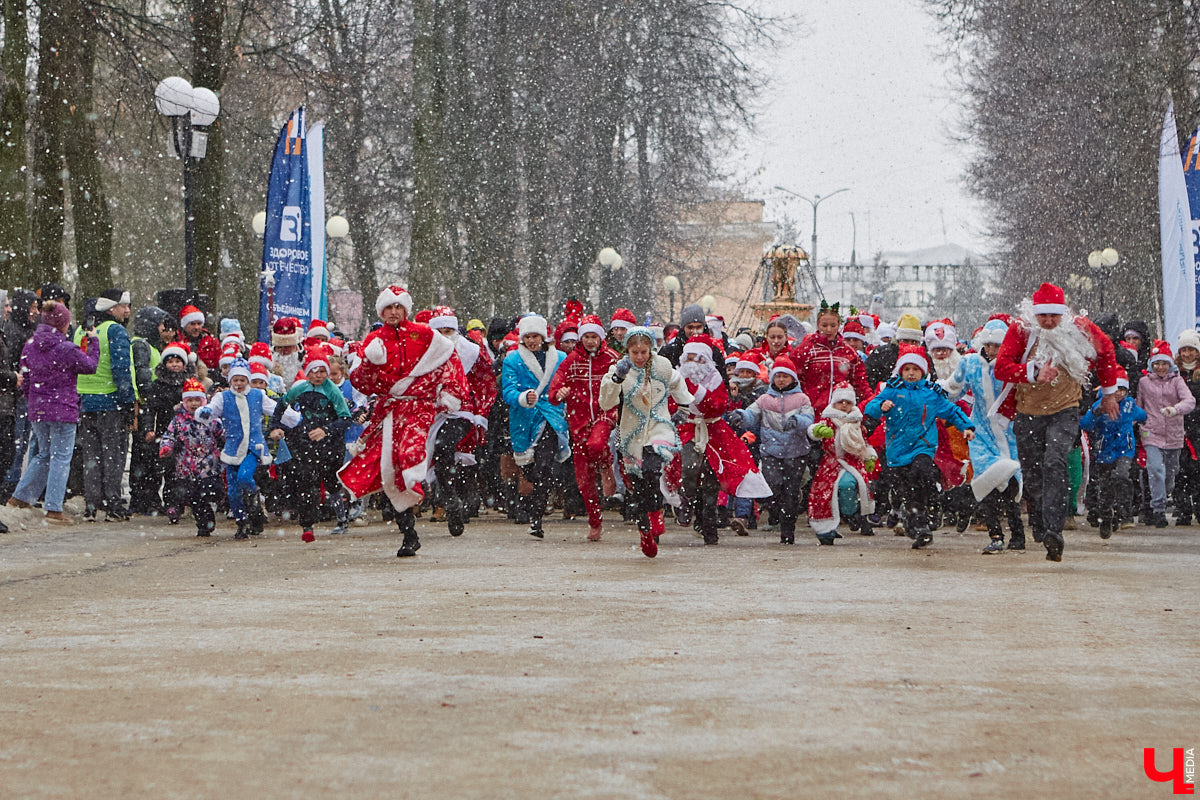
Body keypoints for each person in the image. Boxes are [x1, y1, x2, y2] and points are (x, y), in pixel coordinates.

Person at [339, 286, 469, 558]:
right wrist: (369, 364)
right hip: (390, 409)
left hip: (420, 406)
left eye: (399, 307)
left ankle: (448, 500)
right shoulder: (374, 339)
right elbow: (361, 382)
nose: (394, 312)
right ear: (381, 311)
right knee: (391, 468)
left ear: (406, 309)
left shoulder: (423, 334)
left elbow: (449, 358)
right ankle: (409, 532)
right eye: (389, 307)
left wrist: (451, 392)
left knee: (409, 455)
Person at [993, 282, 1120, 561]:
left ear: (1063, 314)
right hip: (1028, 411)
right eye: (1043, 316)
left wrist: (1109, 393)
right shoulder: (1020, 330)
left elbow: (1107, 350)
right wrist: (1033, 372)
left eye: (1054, 315)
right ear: (1033, 314)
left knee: (1055, 462)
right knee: (1033, 473)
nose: (1049, 321)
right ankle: (1038, 517)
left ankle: (1054, 530)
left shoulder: (1079, 328)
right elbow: (1002, 367)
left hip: (1065, 409)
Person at [864, 346, 975, 549]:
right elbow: (870, 408)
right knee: (905, 489)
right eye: (907, 369)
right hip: (897, 450)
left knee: (921, 473)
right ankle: (915, 525)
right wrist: (880, 407)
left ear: (923, 372)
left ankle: (926, 518)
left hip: (922, 446)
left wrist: (966, 426)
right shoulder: (892, 390)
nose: (911, 373)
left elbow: (951, 410)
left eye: (916, 369)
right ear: (900, 372)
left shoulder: (930, 394)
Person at [599, 326, 693, 557]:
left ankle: (655, 512)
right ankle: (645, 531)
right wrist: (617, 378)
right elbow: (605, 402)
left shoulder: (662, 366)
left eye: (644, 352)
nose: (640, 357)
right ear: (628, 351)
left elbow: (679, 384)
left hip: (657, 427)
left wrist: (683, 408)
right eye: (635, 353)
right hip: (630, 431)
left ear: (651, 349)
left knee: (651, 470)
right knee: (638, 486)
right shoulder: (619, 369)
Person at [6, 302, 99, 524]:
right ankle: (54, 508)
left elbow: (25, 377)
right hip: (63, 409)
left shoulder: (30, 345)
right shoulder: (65, 348)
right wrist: (93, 341)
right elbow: (90, 365)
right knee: (60, 457)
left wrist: (31, 399)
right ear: (64, 323)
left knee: (44, 454)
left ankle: (20, 496)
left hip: (37, 408)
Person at [676, 334, 772, 545]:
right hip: (687, 429)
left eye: (698, 358)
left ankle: (709, 528)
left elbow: (718, 405)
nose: (694, 364)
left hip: (713, 431)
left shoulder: (715, 379)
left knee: (712, 479)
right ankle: (686, 499)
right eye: (690, 358)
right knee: (689, 466)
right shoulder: (677, 377)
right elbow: (670, 402)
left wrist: (698, 392)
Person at [941, 319, 1025, 553]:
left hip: (1009, 434)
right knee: (984, 484)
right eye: (988, 345)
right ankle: (995, 535)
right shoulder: (970, 363)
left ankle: (1018, 534)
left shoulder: (1014, 365)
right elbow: (953, 388)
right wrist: (931, 393)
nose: (991, 350)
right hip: (980, 434)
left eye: (997, 345)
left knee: (1010, 484)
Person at [198, 358, 299, 540]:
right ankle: (242, 522)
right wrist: (204, 412)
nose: (238, 383)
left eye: (242, 380)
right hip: (232, 449)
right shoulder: (224, 397)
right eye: (235, 380)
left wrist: (296, 419)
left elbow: (276, 409)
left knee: (245, 477)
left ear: (248, 380)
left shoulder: (257, 396)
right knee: (233, 491)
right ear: (230, 380)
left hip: (254, 447)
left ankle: (254, 501)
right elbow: (211, 409)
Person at [549, 313, 620, 541]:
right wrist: (559, 394)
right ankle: (595, 521)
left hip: (604, 414)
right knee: (583, 480)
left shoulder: (611, 358)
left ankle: (607, 464)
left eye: (594, 336)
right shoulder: (571, 360)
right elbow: (554, 391)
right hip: (578, 423)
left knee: (597, 444)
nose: (590, 341)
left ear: (600, 337)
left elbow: (628, 382)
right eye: (586, 336)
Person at [270, 346, 353, 541]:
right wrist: (275, 426)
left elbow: (345, 419)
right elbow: (281, 405)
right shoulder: (299, 388)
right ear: (307, 373)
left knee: (331, 482)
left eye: (323, 371)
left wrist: (326, 430)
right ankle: (307, 526)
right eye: (314, 371)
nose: (319, 375)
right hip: (306, 443)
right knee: (306, 482)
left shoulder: (332, 391)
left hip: (331, 444)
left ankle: (342, 518)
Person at [428, 305, 496, 537]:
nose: (445, 335)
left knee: (447, 449)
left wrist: (481, 413)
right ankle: (450, 500)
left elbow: (486, 382)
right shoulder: (424, 352)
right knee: (440, 460)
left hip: (463, 412)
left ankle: (465, 499)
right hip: (431, 412)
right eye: (440, 330)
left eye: (449, 330)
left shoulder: (471, 352)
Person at [501, 314, 571, 539]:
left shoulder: (560, 358)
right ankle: (537, 501)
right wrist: (522, 397)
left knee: (544, 465)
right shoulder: (512, 360)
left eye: (536, 336)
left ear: (544, 336)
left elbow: (567, 382)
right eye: (528, 336)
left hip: (550, 416)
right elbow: (507, 390)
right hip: (524, 419)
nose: (532, 340)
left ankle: (537, 517)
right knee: (531, 470)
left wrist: (563, 393)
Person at [732, 355, 814, 544]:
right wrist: (741, 416)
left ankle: (787, 530)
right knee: (772, 486)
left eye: (786, 376)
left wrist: (798, 421)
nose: (782, 380)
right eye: (778, 376)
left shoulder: (802, 399)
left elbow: (809, 419)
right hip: (771, 451)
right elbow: (752, 414)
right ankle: (776, 512)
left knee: (791, 492)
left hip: (796, 451)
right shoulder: (765, 399)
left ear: (793, 378)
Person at [75, 288, 136, 522]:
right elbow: (121, 368)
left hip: (86, 400)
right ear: (112, 309)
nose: (127, 310)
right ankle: (113, 504)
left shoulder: (82, 330)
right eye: (124, 306)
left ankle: (91, 504)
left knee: (91, 455)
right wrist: (128, 401)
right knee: (113, 455)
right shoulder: (115, 330)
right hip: (110, 401)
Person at [807, 382, 877, 545]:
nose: (844, 404)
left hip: (853, 462)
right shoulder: (828, 419)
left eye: (848, 401)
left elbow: (864, 443)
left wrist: (870, 457)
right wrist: (817, 431)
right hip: (830, 463)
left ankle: (851, 513)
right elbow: (814, 430)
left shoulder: (857, 423)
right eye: (840, 401)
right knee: (823, 494)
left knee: (847, 485)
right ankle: (825, 529)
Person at [1135, 340, 1195, 527]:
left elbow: (1189, 401)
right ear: (1151, 365)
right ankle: (1158, 509)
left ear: (1170, 364)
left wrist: (1175, 410)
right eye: (1157, 363)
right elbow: (1139, 405)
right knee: (1155, 470)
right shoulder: (1144, 383)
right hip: (1151, 432)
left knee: (1170, 474)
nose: (1160, 367)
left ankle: (1163, 495)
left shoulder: (1177, 381)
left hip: (1174, 433)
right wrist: (1135, 422)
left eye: (1164, 363)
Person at [1080, 368, 1145, 540]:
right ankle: (1106, 518)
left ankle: (1125, 512)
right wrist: (1096, 413)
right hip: (1104, 452)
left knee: (1122, 475)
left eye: (1122, 390)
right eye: (1115, 390)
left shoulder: (1129, 404)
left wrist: (1142, 421)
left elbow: (1142, 414)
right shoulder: (1099, 405)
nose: (1119, 394)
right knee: (1105, 490)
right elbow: (1085, 424)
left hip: (1125, 449)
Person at [158, 377, 224, 537]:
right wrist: (166, 446)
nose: (194, 404)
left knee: (210, 491)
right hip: (187, 465)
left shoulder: (211, 419)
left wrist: (228, 445)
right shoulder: (179, 420)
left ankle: (218, 502)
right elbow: (169, 435)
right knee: (194, 497)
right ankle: (204, 524)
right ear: (184, 402)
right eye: (190, 400)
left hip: (209, 464)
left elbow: (222, 434)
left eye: (197, 400)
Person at [137, 339, 195, 518]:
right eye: (171, 361)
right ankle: (163, 502)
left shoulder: (190, 384)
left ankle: (179, 503)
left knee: (182, 472)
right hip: (165, 433)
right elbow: (149, 409)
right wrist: (148, 429)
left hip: (187, 434)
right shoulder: (158, 386)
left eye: (178, 361)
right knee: (164, 469)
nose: (175, 365)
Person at [0, 288, 39, 499]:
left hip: (22, 394)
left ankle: (11, 484)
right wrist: (16, 380)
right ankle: (9, 485)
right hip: (16, 395)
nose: (35, 312)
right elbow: (11, 364)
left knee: (20, 444)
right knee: (15, 443)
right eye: (32, 307)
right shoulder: (13, 331)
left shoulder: (26, 329)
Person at [1172, 329, 1200, 525]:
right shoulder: (1173, 372)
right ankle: (1182, 510)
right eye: (1184, 350)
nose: (1187, 354)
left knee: (1197, 471)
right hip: (1177, 426)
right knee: (1178, 471)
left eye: (1191, 350)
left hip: (1197, 426)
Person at [177, 304, 221, 371]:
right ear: (185, 325)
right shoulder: (177, 341)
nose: (196, 327)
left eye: (199, 324)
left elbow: (219, 365)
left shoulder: (212, 342)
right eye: (192, 324)